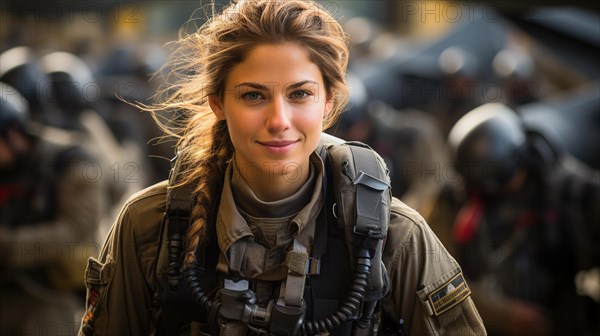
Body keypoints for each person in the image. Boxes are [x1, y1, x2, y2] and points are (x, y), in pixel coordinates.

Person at [78, 1, 485, 335]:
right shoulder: (150, 226)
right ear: (217, 102)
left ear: (328, 103)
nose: (278, 119)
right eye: (253, 95)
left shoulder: (392, 236)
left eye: (300, 94)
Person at [430, 102, 600, 336]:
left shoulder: (572, 193)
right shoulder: (455, 198)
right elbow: (434, 277)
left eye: (501, 181)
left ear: (522, 160)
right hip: (481, 321)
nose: (493, 192)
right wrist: (502, 314)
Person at [0, 81, 102, 335]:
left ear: (13, 134)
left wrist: (10, 246)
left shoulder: (68, 163)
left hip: (50, 295)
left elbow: (75, 229)